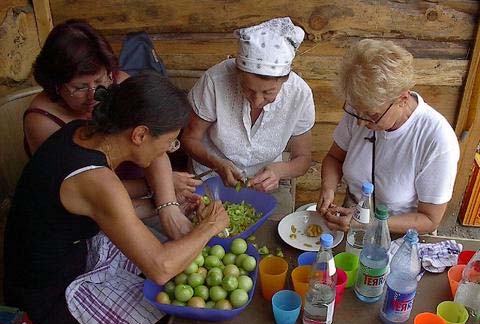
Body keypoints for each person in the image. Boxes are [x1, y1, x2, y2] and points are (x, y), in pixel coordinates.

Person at [4, 73, 229, 324]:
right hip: (46, 291)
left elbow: (113, 209)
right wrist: (209, 227)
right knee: (162, 307)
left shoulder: (80, 132)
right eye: (169, 143)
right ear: (140, 134)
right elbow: (160, 266)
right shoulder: (96, 179)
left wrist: (163, 204)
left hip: (65, 250)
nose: (167, 151)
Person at [24, 19, 201, 236]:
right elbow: (89, 189)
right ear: (56, 85)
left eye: (100, 81)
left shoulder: (118, 83)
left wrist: (168, 206)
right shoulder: (42, 121)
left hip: (138, 196)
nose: (93, 96)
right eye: (80, 87)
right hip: (91, 213)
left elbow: (154, 144)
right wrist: (156, 186)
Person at [316, 39, 459, 234]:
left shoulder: (437, 139)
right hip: (351, 222)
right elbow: (334, 157)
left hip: (399, 236)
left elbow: (429, 220)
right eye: (357, 112)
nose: (361, 123)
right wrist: (328, 188)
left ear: (402, 98)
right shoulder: (361, 109)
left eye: (372, 115)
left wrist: (368, 224)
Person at [181, 17, 314, 211]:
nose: (257, 100)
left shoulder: (299, 94)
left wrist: (279, 171)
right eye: (248, 89)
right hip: (210, 181)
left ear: (285, 79)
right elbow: (189, 139)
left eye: (268, 92)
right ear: (237, 72)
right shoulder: (215, 81)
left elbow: (303, 158)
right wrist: (217, 164)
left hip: (265, 188)